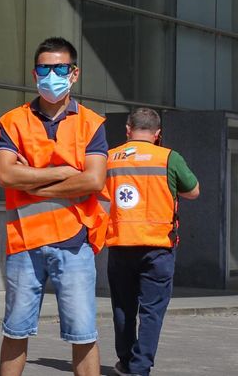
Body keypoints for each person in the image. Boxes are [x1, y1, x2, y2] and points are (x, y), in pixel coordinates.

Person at [0, 37, 108, 376]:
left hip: (74, 244)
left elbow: (93, 181)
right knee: (15, 330)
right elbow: (4, 174)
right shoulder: (12, 121)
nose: (52, 75)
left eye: (60, 68)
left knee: (83, 333)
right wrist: (60, 172)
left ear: (74, 74)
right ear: (34, 73)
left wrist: (29, 180)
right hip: (24, 243)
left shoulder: (92, 123)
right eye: (45, 68)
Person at [103, 108, 199, 376]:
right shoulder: (169, 157)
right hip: (158, 247)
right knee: (152, 312)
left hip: (120, 244)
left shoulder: (109, 158)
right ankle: (140, 367)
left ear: (128, 129)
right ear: (157, 134)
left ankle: (125, 360)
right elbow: (193, 191)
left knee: (123, 307)